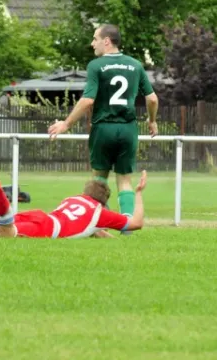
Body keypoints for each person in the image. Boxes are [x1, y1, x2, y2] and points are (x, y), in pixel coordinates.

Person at [48, 24, 158, 234]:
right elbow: (152, 98)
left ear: (107, 41)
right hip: (127, 129)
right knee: (124, 180)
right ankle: (126, 227)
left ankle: (97, 225)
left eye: (95, 38)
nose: (92, 43)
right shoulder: (135, 65)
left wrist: (66, 123)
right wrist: (152, 121)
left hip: (104, 128)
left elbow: (88, 100)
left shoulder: (96, 66)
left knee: (99, 178)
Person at [0, 148, 147, 238]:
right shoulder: (99, 213)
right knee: (6, 236)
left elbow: (95, 232)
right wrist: (138, 193)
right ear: (103, 202)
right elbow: (136, 224)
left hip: (39, 216)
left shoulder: (73, 199)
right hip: (47, 229)